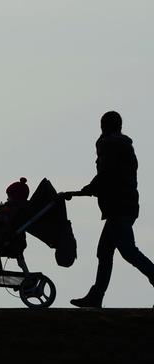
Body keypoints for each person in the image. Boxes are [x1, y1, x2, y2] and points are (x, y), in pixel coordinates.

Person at [69, 111, 154, 308]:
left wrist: (89, 189)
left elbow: (108, 174)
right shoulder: (124, 144)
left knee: (128, 251)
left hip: (118, 207)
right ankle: (96, 296)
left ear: (103, 125)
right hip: (126, 204)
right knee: (105, 252)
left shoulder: (108, 144)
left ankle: (97, 296)